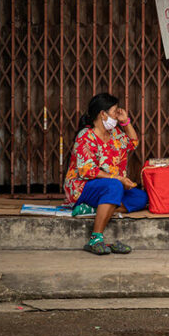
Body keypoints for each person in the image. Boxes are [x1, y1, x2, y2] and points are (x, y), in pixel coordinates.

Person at [64, 93, 148, 255]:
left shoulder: (115, 134)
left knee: (140, 198)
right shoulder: (86, 137)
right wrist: (118, 178)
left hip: (109, 186)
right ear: (103, 114)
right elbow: (87, 170)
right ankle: (96, 238)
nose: (117, 115)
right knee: (115, 186)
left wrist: (125, 122)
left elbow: (133, 143)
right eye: (115, 112)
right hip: (82, 187)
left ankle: (95, 210)